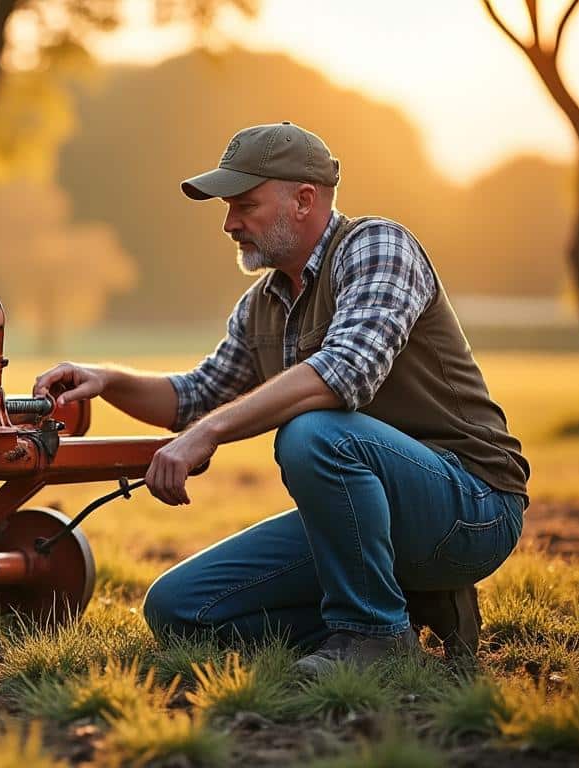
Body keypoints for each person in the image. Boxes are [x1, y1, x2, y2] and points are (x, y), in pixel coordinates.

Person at [32, 122, 528, 675]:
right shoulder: (261, 302)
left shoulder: (377, 245)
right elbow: (197, 397)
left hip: (471, 507)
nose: (229, 223)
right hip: (368, 516)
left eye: (244, 204)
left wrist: (208, 434)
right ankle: (407, 608)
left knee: (313, 433)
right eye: (226, 207)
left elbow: (344, 374)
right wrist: (108, 379)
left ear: (304, 200)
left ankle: (373, 637)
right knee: (179, 609)